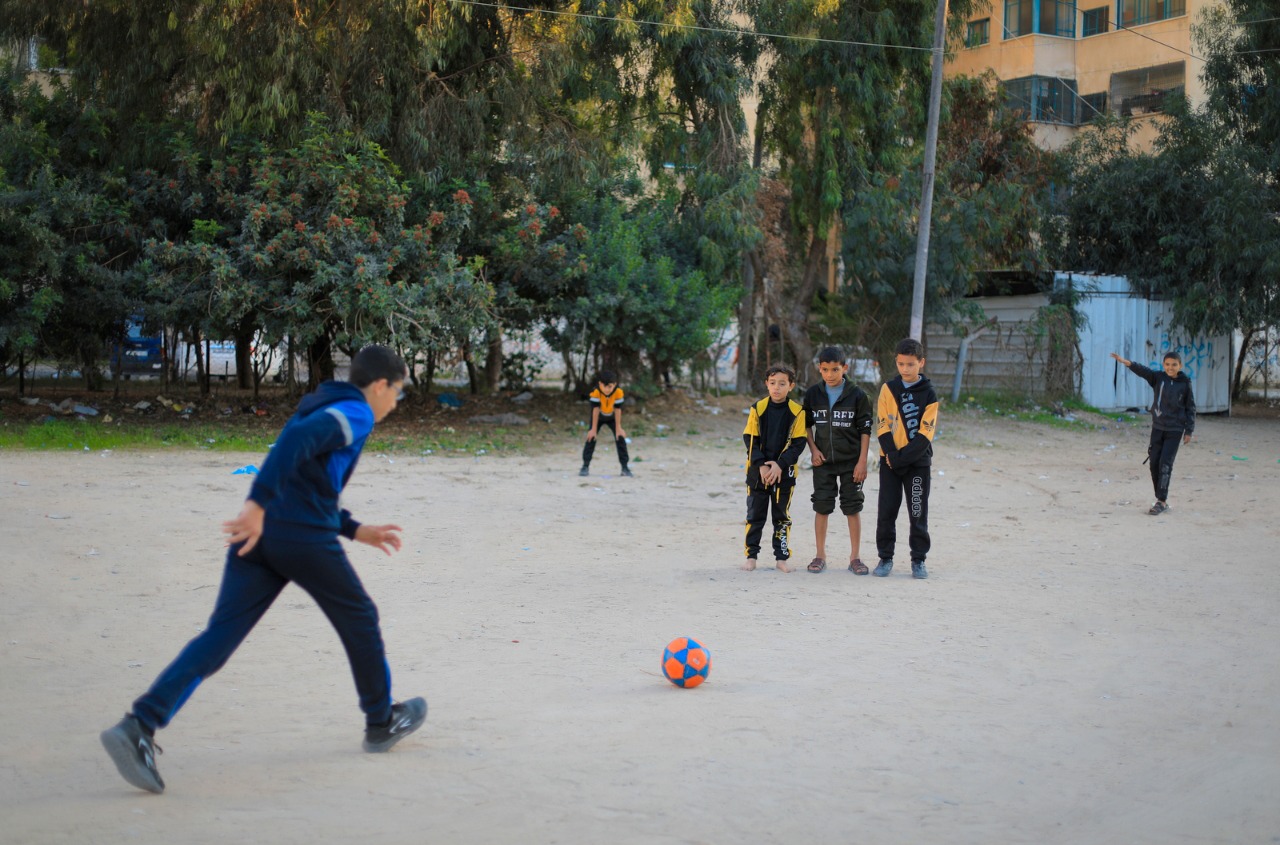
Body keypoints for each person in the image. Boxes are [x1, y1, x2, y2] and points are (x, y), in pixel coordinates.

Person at [100, 345, 427, 795]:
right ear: (380, 386)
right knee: (361, 618)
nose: (396, 402)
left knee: (218, 638)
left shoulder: (323, 403)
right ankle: (381, 721)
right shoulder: (357, 412)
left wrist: (353, 529)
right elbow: (297, 444)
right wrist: (256, 503)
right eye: (399, 391)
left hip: (260, 537)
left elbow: (305, 479)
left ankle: (139, 724)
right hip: (298, 537)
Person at [802, 347, 873, 574]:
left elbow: (865, 430)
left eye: (835, 369)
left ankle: (855, 558)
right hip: (823, 462)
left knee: (852, 506)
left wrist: (862, 462)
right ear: (819, 369)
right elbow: (805, 425)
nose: (830, 374)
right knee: (821, 506)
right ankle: (820, 555)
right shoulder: (813, 394)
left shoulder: (858, 395)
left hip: (851, 462)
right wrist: (813, 450)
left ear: (845, 368)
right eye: (825, 370)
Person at [873, 338, 939, 580]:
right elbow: (882, 425)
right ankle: (885, 557)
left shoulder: (929, 394)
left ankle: (918, 559)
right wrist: (892, 456)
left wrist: (901, 458)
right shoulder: (887, 389)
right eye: (901, 364)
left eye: (911, 364)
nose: (905, 369)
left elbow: (925, 435)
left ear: (921, 363)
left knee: (918, 512)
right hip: (889, 462)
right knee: (886, 511)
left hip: (917, 464)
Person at [1109, 350, 1196, 515]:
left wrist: (1189, 430)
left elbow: (1190, 407)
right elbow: (1143, 371)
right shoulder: (1158, 378)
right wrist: (1127, 362)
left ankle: (1161, 501)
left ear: (1180, 366)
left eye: (1174, 365)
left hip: (1175, 429)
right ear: (1163, 365)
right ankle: (1160, 496)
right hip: (1158, 428)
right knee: (1154, 462)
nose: (1170, 368)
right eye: (1167, 364)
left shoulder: (1185, 383)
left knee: (1165, 464)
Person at [742, 363, 808, 572]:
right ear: (766, 384)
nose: (776, 388)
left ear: (791, 386)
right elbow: (750, 439)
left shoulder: (798, 411)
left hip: (784, 474)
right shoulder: (757, 408)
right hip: (758, 474)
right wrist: (761, 465)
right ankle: (751, 556)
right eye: (772, 383)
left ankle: (781, 558)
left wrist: (780, 465)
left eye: (782, 383)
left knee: (782, 517)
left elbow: (798, 444)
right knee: (755, 516)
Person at [579, 369, 633, 477]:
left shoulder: (618, 393)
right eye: (605, 386)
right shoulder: (596, 393)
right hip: (599, 417)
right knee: (591, 438)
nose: (607, 390)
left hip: (612, 417)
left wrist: (618, 428)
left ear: (615, 385)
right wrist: (593, 429)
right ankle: (585, 466)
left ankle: (625, 467)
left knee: (620, 438)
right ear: (600, 384)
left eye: (610, 387)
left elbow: (617, 410)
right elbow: (595, 410)